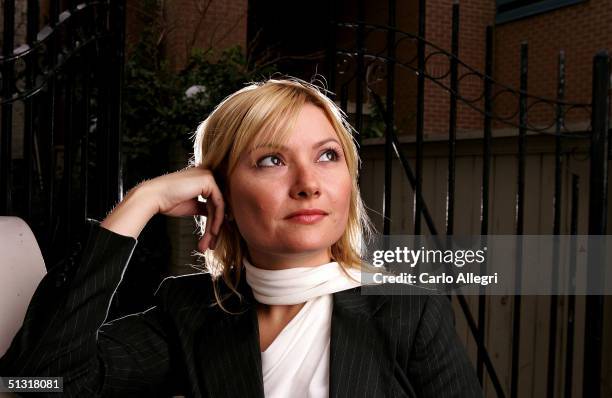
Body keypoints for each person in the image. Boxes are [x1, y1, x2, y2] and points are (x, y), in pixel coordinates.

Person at [0, 77, 483, 397]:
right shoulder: (189, 314)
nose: (308, 183)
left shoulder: (407, 307)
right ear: (220, 194)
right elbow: (36, 384)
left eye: (328, 155)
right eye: (271, 160)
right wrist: (141, 202)